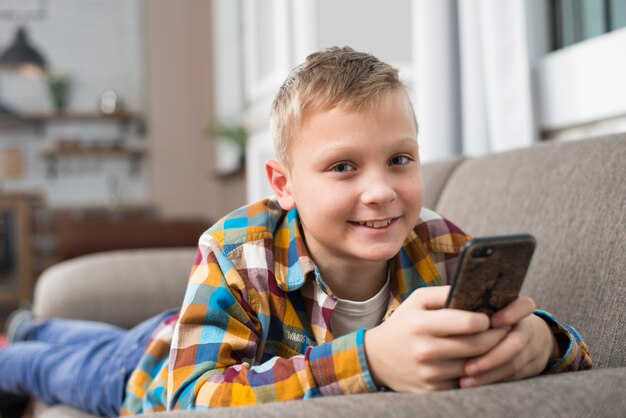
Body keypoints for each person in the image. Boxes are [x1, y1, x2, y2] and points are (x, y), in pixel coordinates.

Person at [0, 46, 592, 418]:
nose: (381, 190)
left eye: (400, 159)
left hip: (202, 335)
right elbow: (190, 400)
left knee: (84, 339)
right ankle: (24, 335)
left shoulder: (442, 244)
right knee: (58, 366)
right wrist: (370, 360)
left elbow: (574, 353)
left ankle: (34, 323)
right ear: (283, 184)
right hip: (150, 365)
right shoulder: (235, 252)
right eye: (342, 167)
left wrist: (544, 343)